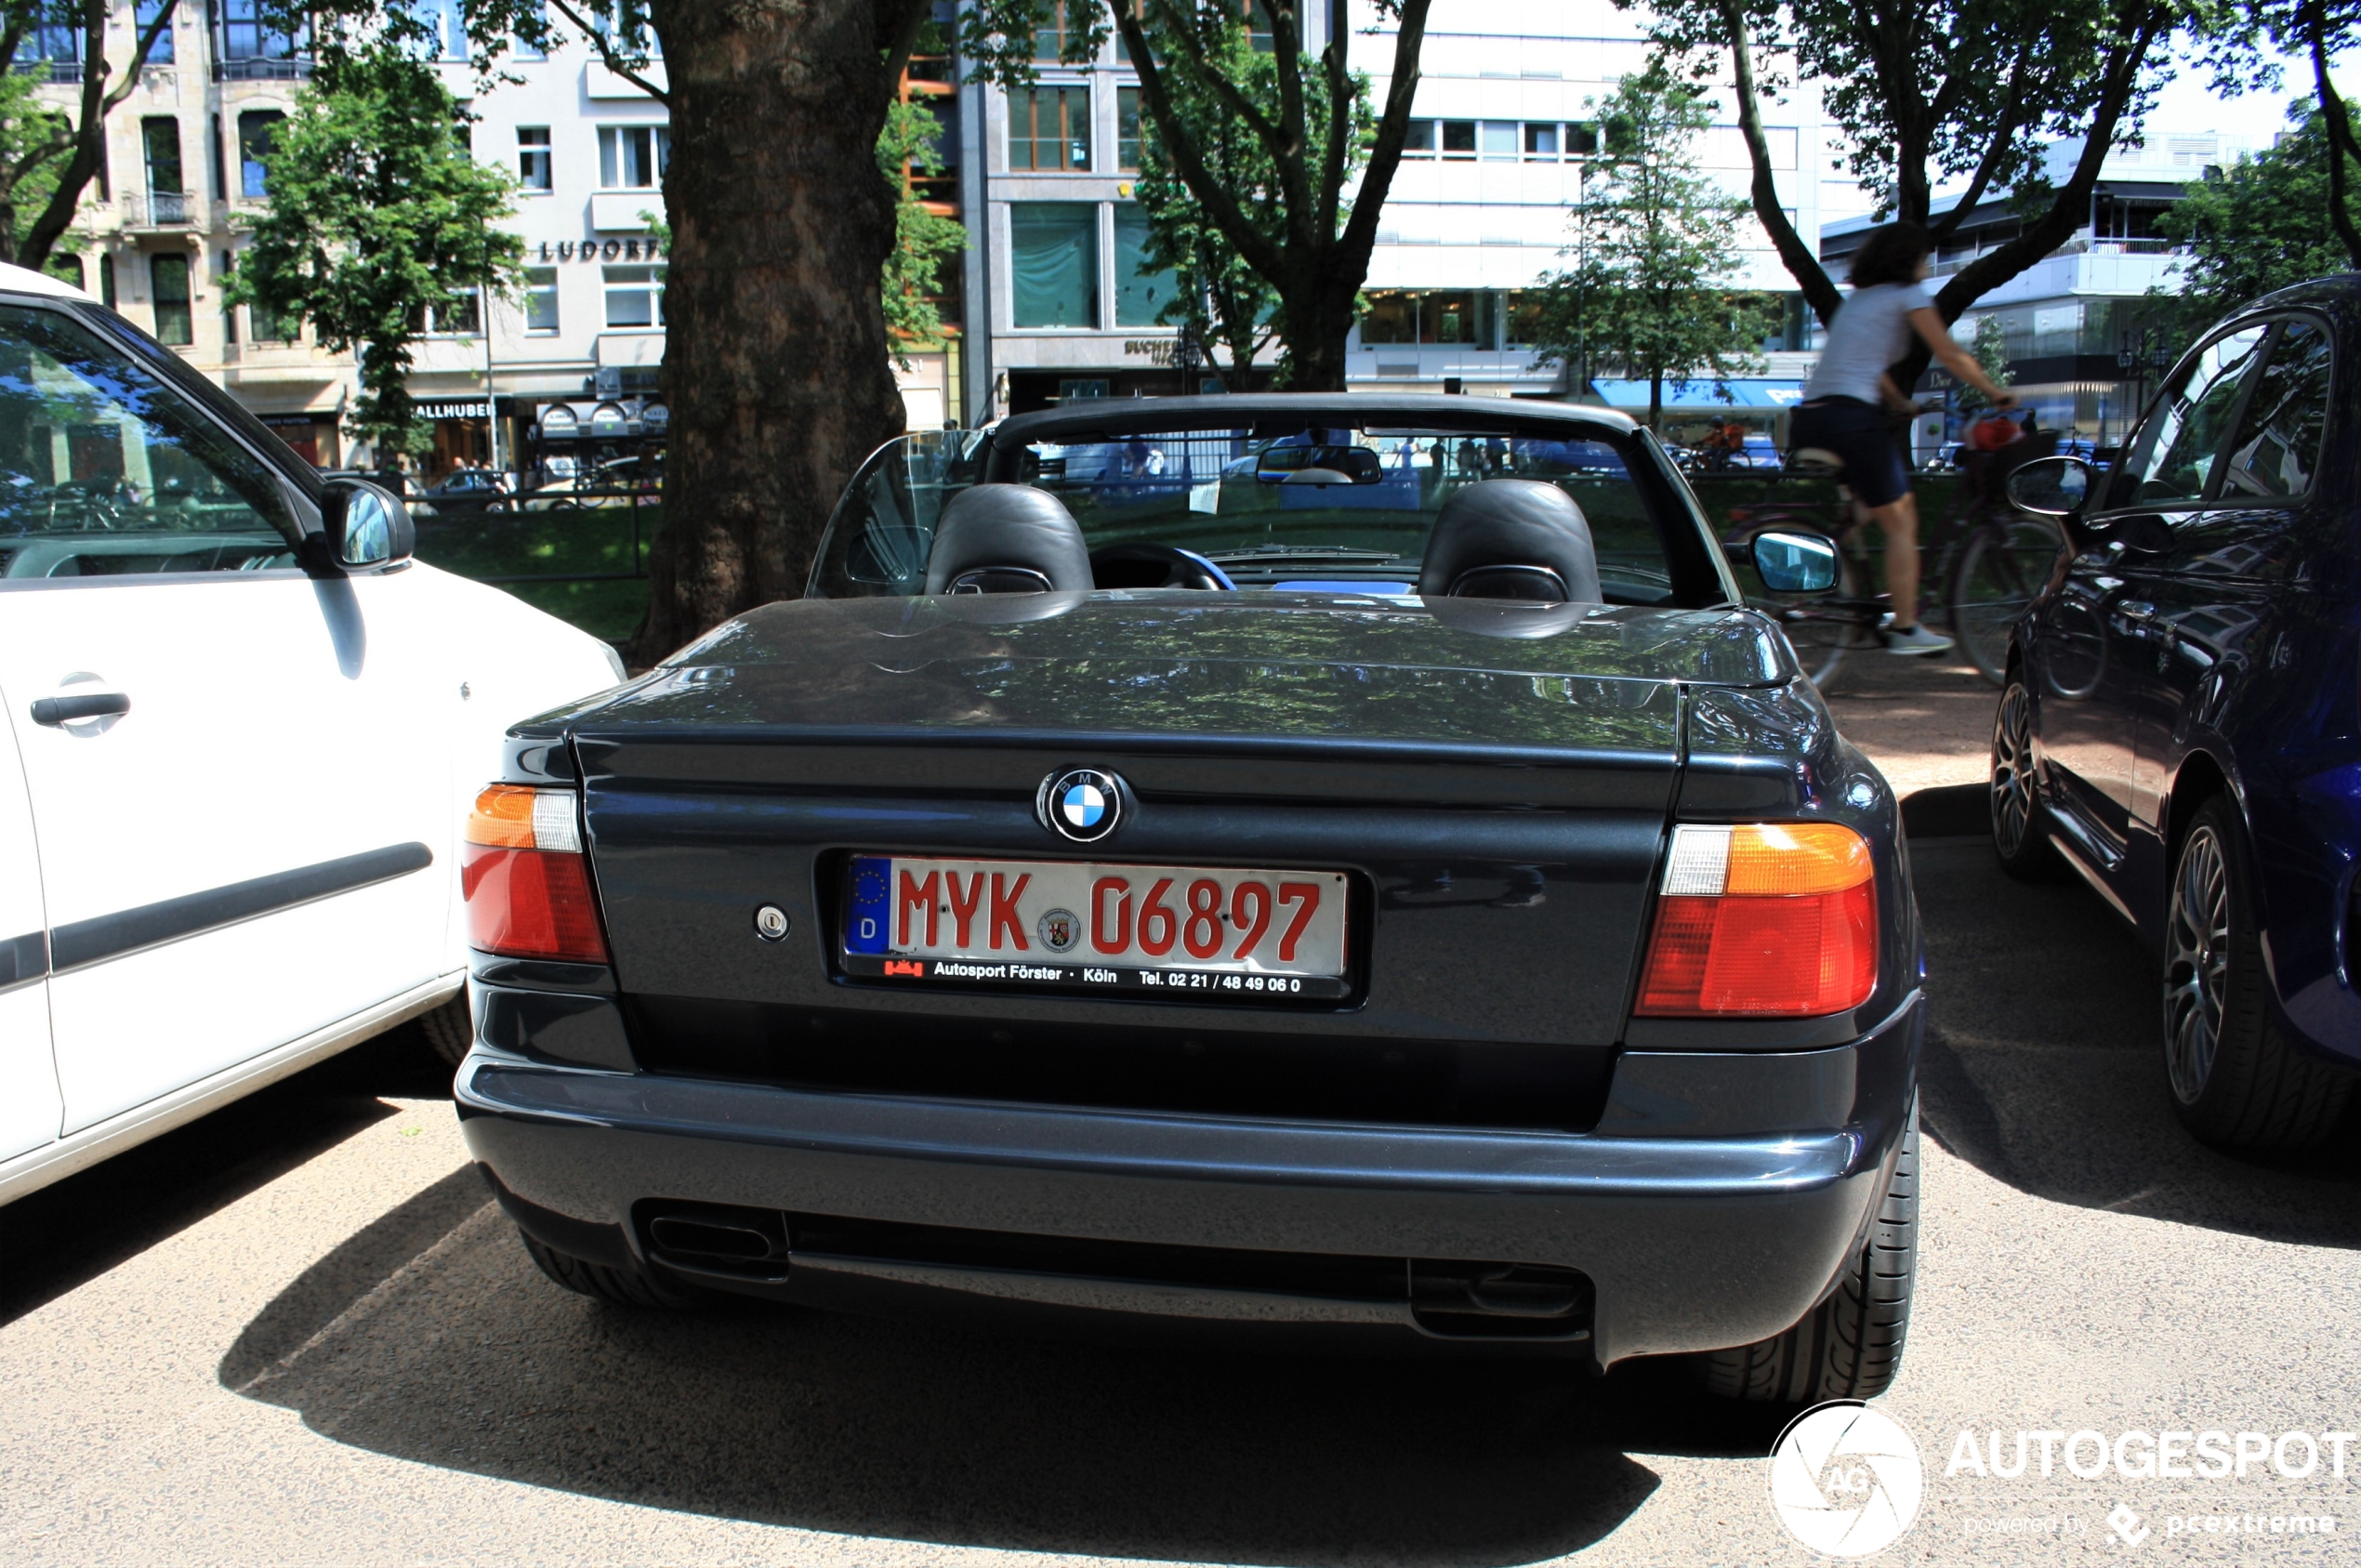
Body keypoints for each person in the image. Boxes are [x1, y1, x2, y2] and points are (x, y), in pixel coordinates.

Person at [1792, 220, 2015, 654]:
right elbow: (1949, 352)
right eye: (1923, 256)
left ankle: (1808, 589)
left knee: (1865, 510)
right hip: (1851, 419)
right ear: (1908, 259)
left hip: (1813, 417)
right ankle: (1906, 628)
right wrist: (1996, 392)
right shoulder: (1907, 296)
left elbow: (1867, 365)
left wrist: (1900, 402)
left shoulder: (1859, 301)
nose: (1927, 264)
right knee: (1903, 516)